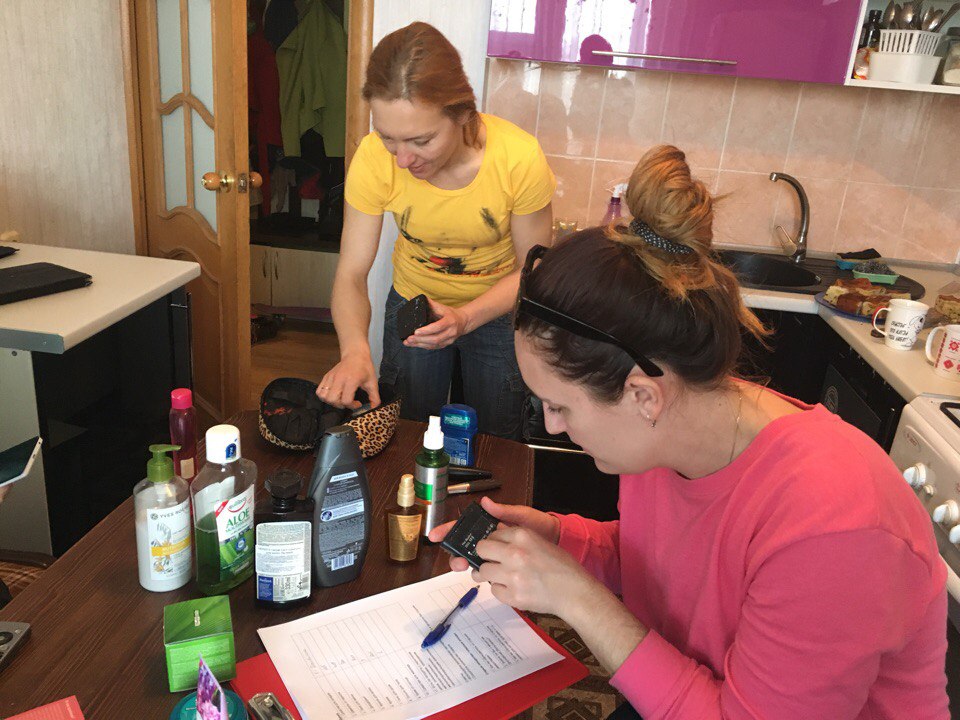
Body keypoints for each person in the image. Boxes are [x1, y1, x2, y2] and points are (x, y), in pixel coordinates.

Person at [431, 146, 949, 718]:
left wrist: (577, 597)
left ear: (642, 395)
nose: (552, 425)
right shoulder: (671, 430)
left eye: (558, 407)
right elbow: (663, 565)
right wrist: (560, 540)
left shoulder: (833, 524)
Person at [317, 22, 555, 439]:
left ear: (462, 113)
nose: (402, 160)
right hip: (414, 306)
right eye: (388, 138)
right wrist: (354, 351)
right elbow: (351, 272)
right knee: (407, 430)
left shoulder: (518, 158)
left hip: (498, 312)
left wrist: (465, 318)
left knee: (496, 438)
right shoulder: (373, 158)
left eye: (421, 141)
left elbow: (532, 270)